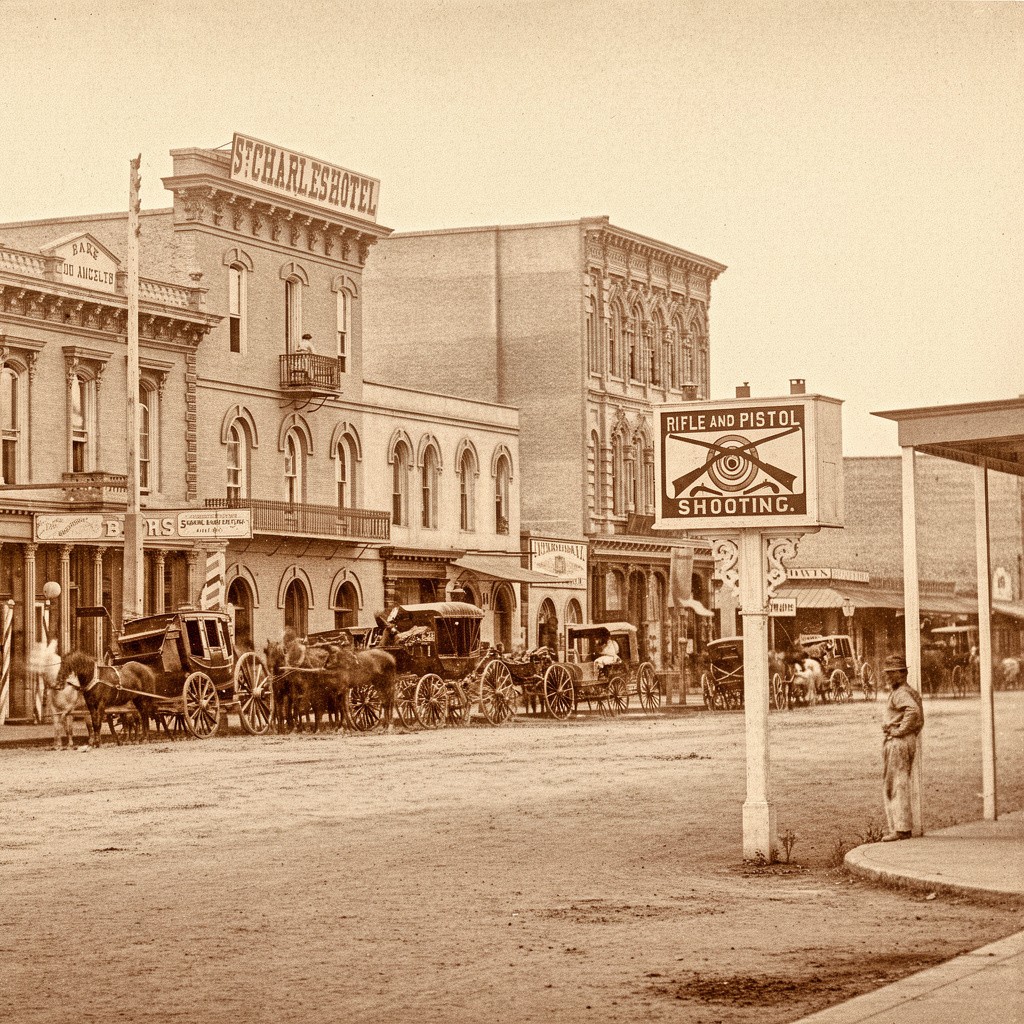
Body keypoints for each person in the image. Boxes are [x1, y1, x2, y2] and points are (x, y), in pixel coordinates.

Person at [880, 654, 924, 842]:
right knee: (899, 782)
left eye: (892, 673)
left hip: (898, 742)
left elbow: (913, 711)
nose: (888, 676)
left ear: (902, 673)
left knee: (896, 784)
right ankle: (901, 827)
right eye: (887, 673)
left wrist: (899, 730)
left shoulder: (901, 693)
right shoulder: (907, 691)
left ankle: (901, 828)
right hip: (905, 740)